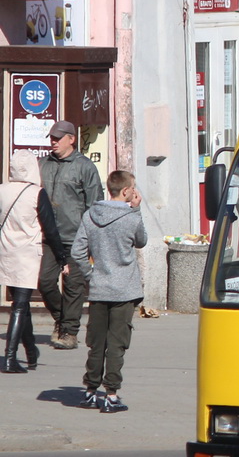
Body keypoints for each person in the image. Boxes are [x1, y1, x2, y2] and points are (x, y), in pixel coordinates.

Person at [71, 170, 147, 413]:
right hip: (124, 291)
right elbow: (142, 241)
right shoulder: (131, 217)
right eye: (133, 188)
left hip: (99, 289)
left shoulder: (90, 214)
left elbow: (77, 252)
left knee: (96, 343)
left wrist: (91, 275)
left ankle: (90, 392)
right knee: (117, 344)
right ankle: (111, 394)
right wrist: (136, 209)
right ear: (126, 191)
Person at [1, 151, 69, 373]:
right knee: (20, 304)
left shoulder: (2, 190)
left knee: (21, 304)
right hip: (27, 254)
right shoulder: (36, 194)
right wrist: (61, 257)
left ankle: (31, 352)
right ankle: (10, 358)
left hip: (5, 252)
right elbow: (50, 229)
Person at [39, 120, 103, 351]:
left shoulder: (85, 167)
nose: (53, 142)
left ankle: (69, 332)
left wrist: (90, 237)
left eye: (58, 138)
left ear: (71, 139)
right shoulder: (43, 164)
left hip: (77, 237)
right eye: (52, 138)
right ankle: (61, 318)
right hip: (49, 238)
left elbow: (94, 204)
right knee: (45, 282)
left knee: (74, 286)